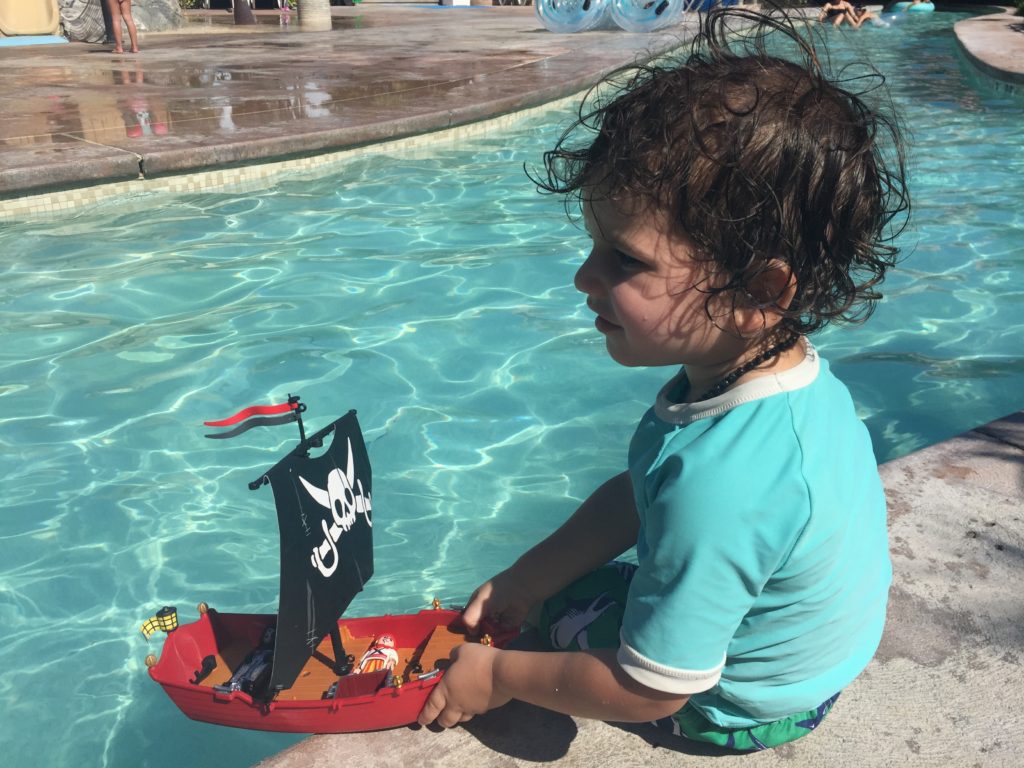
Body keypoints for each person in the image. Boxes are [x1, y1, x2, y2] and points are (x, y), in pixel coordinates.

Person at [417, 4, 909, 752]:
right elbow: (643, 492)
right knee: (541, 596)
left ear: (758, 292)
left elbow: (653, 688)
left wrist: (500, 677)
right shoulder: (777, 379)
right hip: (803, 659)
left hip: (739, 704)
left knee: (544, 629)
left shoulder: (726, 483)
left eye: (624, 259)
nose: (583, 278)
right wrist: (526, 576)